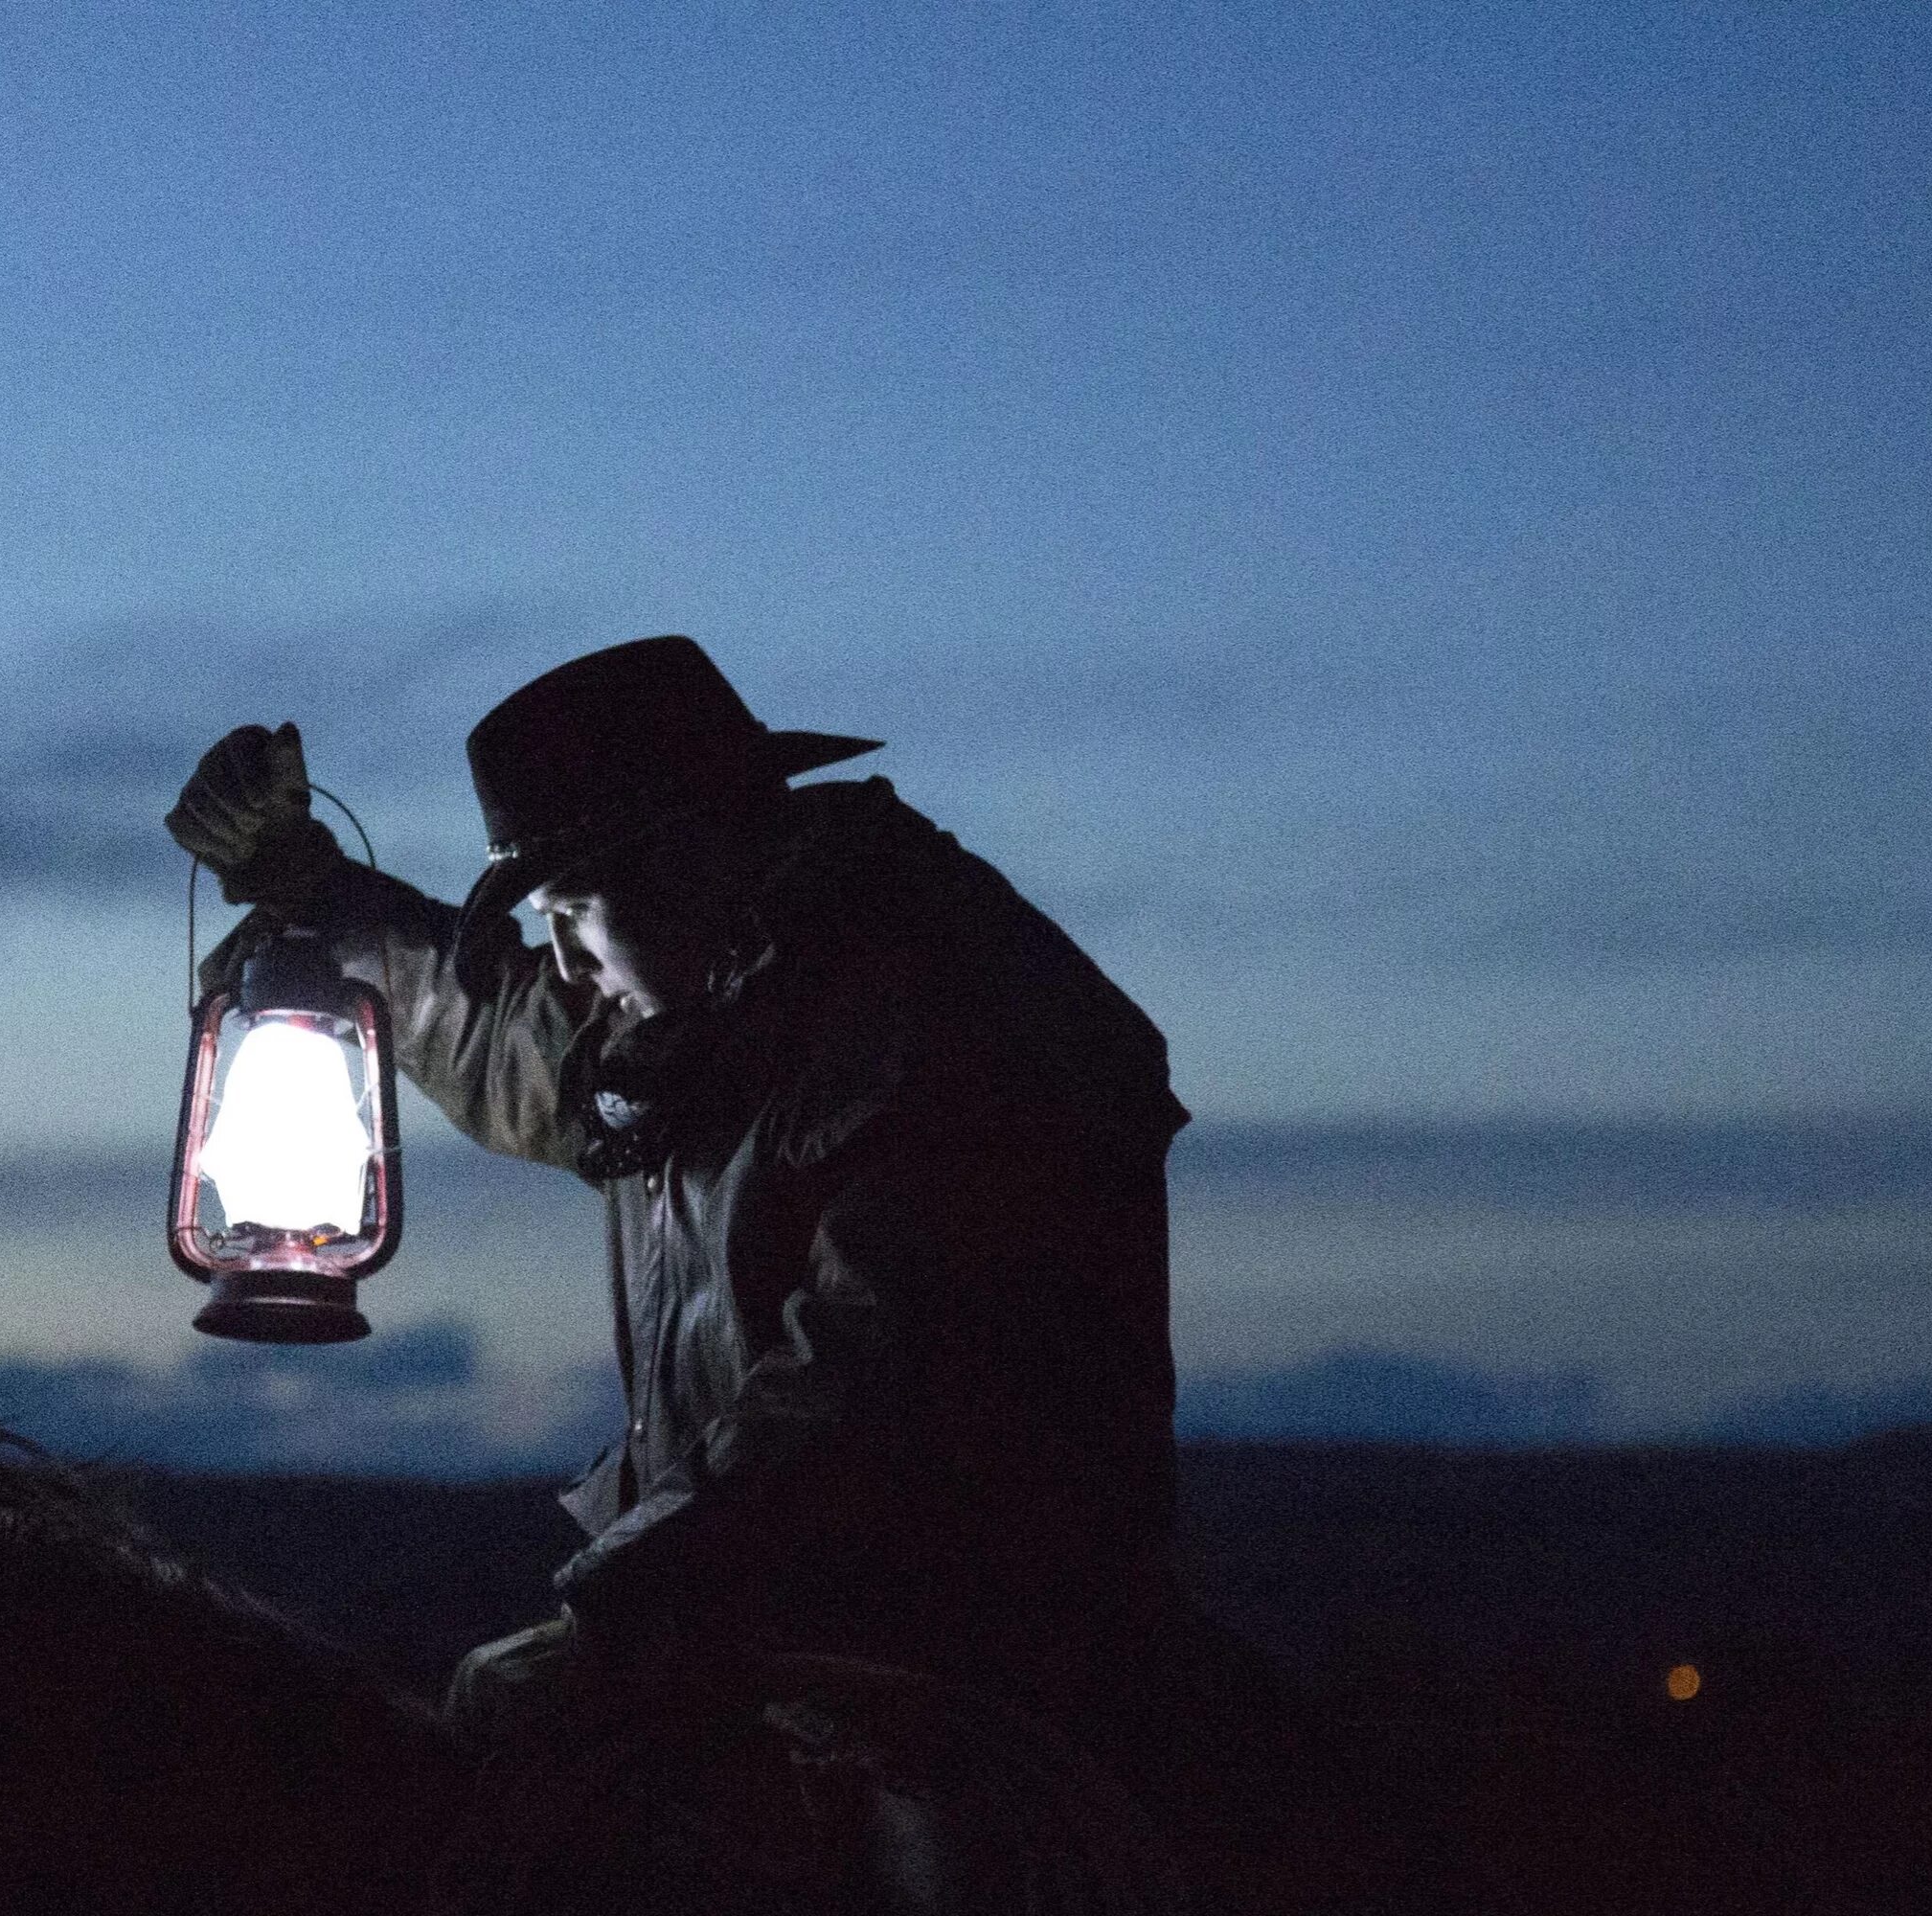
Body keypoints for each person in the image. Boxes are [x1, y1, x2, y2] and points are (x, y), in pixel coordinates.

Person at [168, 636, 1389, 1910]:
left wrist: (618, 1624)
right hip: (754, 1629)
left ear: (699, 851)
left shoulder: (956, 1011)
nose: (568, 964)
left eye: (574, 912)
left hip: (982, 1657)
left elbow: (878, 1388)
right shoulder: (715, 1003)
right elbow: (512, 1037)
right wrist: (318, 898)